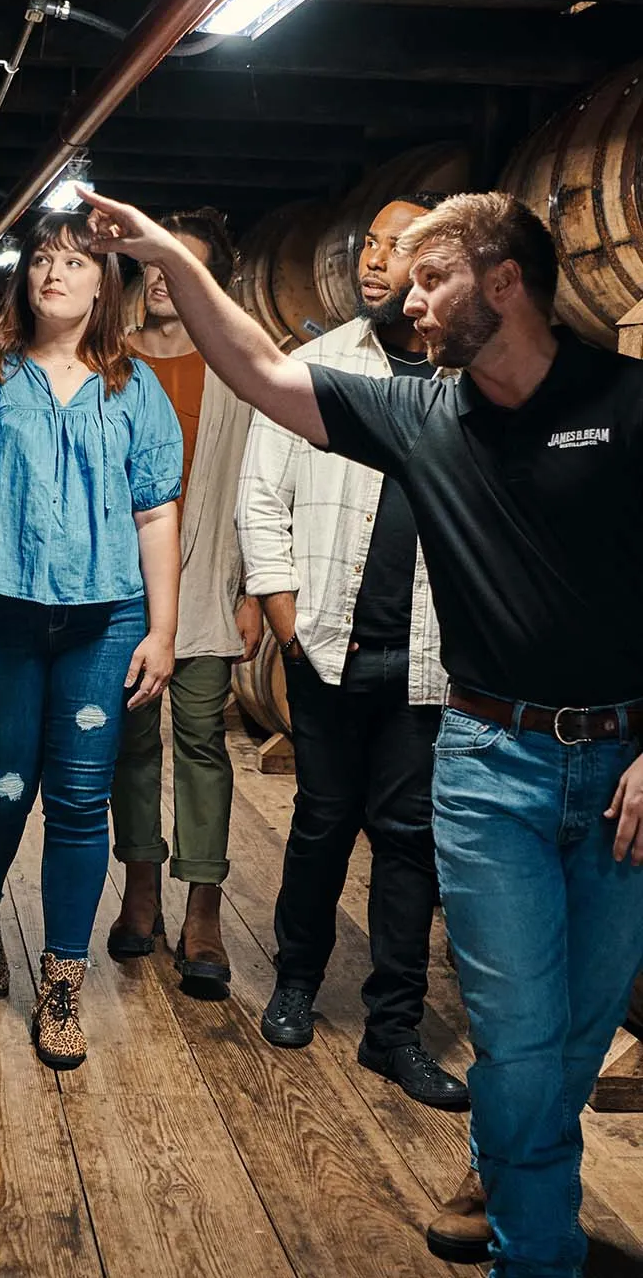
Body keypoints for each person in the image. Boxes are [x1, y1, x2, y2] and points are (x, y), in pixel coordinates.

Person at [80, 183, 643, 1278]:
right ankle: (541, 1256)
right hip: (489, 766)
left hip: (622, 766)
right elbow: (259, 367)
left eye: (433, 279)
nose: (410, 301)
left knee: (574, 1039)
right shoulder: (426, 415)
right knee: (523, 1040)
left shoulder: (626, 403)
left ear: (505, 280)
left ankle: (499, 1167)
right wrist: (166, 257)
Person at [0, 210, 183, 1071]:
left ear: (105, 283)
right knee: (1, 787)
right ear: (23, 279)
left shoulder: (133, 387)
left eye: (75, 261)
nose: (54, 272)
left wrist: (164, 631)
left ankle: (63, 978)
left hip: (105, 621)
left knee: (79, 801)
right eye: (41, 258)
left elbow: (155, 513)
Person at [236, 194, 468, 1112]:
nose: (373, 260)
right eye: (369, 242)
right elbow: (263, 497)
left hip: (430, 660)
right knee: (323, 824)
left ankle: (394, 1031)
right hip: (326, 643)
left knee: (411, 846)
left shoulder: (472, 381)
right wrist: (286, 618)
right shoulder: (317, 365)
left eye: (397, 247)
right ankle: (297, 981)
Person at [108, 208, 262, 1001]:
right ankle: (141, 892)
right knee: (130, 744)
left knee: (201, 740)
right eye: (152, 262)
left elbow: (254, 488)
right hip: (119, 592)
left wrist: (246, 588)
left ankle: (203, 905)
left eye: (181, 265)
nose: (161, 276)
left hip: (204, 588)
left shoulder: (235, 371)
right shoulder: (112, 364)